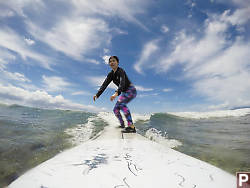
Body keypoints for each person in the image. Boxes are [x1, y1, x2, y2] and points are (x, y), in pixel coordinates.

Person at [93, 56, 137, 133]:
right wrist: (97, 94)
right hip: (124, 92)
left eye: (114, 61)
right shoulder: (111, 74)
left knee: (122, 104)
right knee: (116, 109)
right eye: (110, 61)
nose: (112, 63)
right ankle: (122, 124)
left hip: (131, 90)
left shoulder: (121, 71)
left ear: (117, 62)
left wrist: (116, 93)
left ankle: (131, 127)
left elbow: (122, 83)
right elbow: (104, 85)